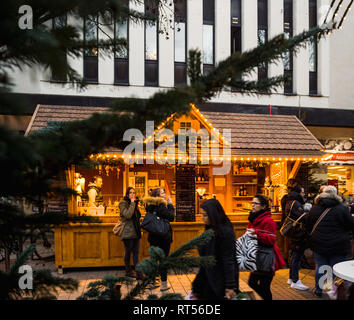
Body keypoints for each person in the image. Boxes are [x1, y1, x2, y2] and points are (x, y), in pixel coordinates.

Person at [306, 185, 354, 298]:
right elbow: (351, 224)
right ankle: (332, 291)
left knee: (321, 267)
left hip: (319, 243)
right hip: (338, 244)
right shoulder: (342, 208)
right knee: (336, 269)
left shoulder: (315, 208)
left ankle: (319, 289)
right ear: (335, 194)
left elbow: (308, 225)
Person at [192, 199, 239, 300]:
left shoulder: (225, 232)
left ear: (213, 215)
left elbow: (228, 260)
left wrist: (230, 286)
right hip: (209, 276)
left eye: (205, 215)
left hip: (219, 281)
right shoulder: (210, 228)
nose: (202, 217)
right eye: (201, 214)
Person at [247, 195, 285, 300]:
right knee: (252, 284)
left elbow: (271, 239)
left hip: (266, 258)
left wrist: (255, 233)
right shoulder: (253, 218)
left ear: (263, 206)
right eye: (252, 203)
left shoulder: (268, 221)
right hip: (256, 257)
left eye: (255, 203)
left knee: (264, 287)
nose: (253, 206)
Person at [145, 187, 175, 291]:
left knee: (153, 259)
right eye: (162, 193)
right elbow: (171, 217)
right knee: (163, 260)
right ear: (157, 196)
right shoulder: (161, 205)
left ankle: (152, 282)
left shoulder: (149, 205)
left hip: (153, 237)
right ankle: (163, 284)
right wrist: (170, 204)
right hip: (163, 237)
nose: (164, 194)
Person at [285, 185, 310, 291]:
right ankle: (295, 281)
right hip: (298, 234)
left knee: (294, 255)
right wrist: (308, 212)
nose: (304, 194)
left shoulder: (290, 201)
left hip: (294, 233)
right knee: (296, 256)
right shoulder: (296, 203)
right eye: (303, 192)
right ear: (298, 193)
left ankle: (291, 278)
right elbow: (303, 218)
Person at [118, 187, 142, 278]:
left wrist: (135, 204)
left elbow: (137, 215)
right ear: (127, 194)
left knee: (136, 253)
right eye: (130, 192)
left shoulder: (134, 203)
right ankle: (128, 271)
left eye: (134, 193)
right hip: (127, 232)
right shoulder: (123, 203)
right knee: (128, 252)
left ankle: (138, 273)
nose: (132, 194)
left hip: (136, 231)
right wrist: (132, 203)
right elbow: (128, 215)